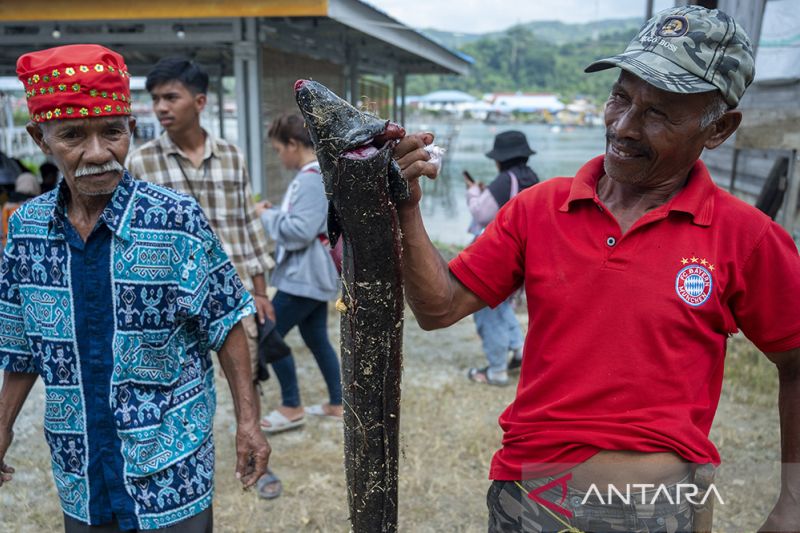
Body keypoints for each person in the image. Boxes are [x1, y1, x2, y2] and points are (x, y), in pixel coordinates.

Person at [391, 6, 800, 532]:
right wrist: (407, 208)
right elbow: (438, 306)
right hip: (526, 502)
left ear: (718, 129)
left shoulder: (748, 237)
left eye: (658, 113)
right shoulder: (540, 208)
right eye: (620, 97)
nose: (623, 126)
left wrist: (793, 502)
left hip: (658, 513)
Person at [0, 44, 270, 531]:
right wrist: (1, 427)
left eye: (113, 132)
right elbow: (20, 348)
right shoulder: (26, 229)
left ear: (131, 130)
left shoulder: (174, 219)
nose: (99, 153)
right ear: (40, 140)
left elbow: (227, 319)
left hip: (173, 465)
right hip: (80, 464)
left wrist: (249, 423)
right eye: (72, 136)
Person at [125, 57, 282, 500]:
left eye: (170, 97)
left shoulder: (231, 156)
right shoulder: (139, 164)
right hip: (172, 304)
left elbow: (247, 226)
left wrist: (259, 291)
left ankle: (255, 452)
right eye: (154, 99)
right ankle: (187, 462)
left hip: (232, 298)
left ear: (200, 102)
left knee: (245, 377)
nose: (160, 107)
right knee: (181, 385)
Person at [255, 113, 341, 432]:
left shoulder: (309, 178)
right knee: (315, 336)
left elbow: (299, 231)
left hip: (304, 276)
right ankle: (338, 401)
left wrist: (265, 215)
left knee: (268, 333)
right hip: (314, 274)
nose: (279, 157)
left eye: (279, 150)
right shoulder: (317, 175)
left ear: (293, 144)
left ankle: (291, 406)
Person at [464, 131, 538, 386]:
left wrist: (473, 192)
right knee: (502, 306)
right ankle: (519, 350)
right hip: (526, 254)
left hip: (500, 257)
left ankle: (496, 371)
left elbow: (481, 214)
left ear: (500, 160)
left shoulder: (505, 179)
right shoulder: (531, 177)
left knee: (486, 309)